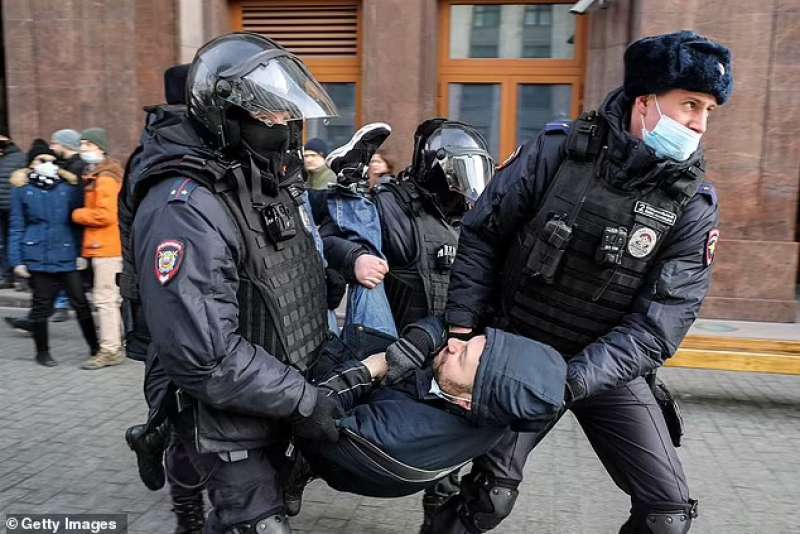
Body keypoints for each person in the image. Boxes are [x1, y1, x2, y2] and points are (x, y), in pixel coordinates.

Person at [428, 31, 732, 534]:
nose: (699, 124)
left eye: (709, 111)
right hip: (516, 348)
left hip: (605, 368)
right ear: (646, 101)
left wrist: (569, 381)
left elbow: (660, 327)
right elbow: (482, 237)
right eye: (690, 105)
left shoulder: (692, 204)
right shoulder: (558, 152)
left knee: (667, 515)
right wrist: (461, 330)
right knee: (491, 497)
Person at [126, 32, 342, 534]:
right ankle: (166, 451)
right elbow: (205, 354)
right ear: (224, 117)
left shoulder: (255, 175)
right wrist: (304, 400)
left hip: (265, 392)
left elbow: (276, 267)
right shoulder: (185, 206)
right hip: (220, 407)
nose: (286, 126)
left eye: (288, 114)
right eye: (270, 116)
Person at [294, 318, 566, 499]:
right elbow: (446, 324)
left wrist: (371, 368)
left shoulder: (397, 433)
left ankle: (290, 470)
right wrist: (421, 338)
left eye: (462, 354)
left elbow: (312, 415)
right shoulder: (493, 412)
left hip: (330, 434)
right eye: (468, 341)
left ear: (466, 402)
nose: (454, 344)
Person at [6, 144, 99, 366]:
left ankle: (95, 348)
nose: (46, 164)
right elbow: (16, 226)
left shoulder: (69, 188)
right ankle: (42, 352)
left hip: (66, 252)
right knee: (41, 305)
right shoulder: (22, 190)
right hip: (37, 254)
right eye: (40, 160)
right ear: (31, 165)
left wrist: (81, 253)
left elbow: (78, 224)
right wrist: (16, 260)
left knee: (81, 303)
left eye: (50, 159)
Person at [72, 128, 124, 370]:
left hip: (106, 247)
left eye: (88, 144)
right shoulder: (101, 174)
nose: (83, 149)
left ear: (100, 147)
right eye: (82, 144)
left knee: (105, 299)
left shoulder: (104, 178)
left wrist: (78, 214)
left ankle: (110, 349)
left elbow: (105, 215)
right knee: (110, 298)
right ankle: (118, 343)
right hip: (104, 246)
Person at [0, 134, 27, 288]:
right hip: (10, 207)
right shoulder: (21, 158)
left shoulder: (19, 158)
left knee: (10, 241)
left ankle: (12, 276)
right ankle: (11, 277)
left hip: (12, 207)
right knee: (9, 241)